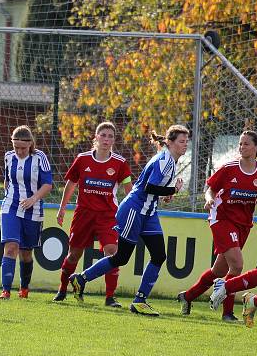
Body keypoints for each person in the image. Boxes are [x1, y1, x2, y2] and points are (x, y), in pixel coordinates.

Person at [69, 125, 190, 316]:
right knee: (121, 257)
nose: (185, 145)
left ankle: (140, 300)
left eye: (186, 141)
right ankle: (81, 279)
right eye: (182, 141)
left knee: (159, 255)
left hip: (148, 212)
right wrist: (172, 190)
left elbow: (153, 188)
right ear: (170, 142)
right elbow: (149, 187)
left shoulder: (170, 160)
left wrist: (167, 194)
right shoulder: (165, 160)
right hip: (135, 210)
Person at [179, 131, 257, 322]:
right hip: (221, 218)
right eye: (240, 144)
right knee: (237, 264)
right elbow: (210, 188)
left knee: (218, 271)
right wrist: (209, 200)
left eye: (246, 144)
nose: (242, 147)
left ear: (256, 147)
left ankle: (188, 296)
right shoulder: (229, 168)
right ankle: (227, 313)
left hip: (243, 223)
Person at [55, 122, 133, 307]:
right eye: (103, 135)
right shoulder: (82, 160)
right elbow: (71, 184)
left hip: (108, 215)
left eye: (110, 136)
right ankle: (62, 290)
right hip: (84, 214)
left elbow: (130, 191)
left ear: (114, 140)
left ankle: (110, 297)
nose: (107, 139)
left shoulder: (120, 163)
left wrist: (130, 213)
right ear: (96, 138)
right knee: (74, 255)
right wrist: (62, 208)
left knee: (113, 252)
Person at [0, 125, 53, 299]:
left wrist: (33, 199)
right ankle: (6, 291)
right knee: (11, 247)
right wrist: (9, 196)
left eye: (23, 148)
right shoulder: (8, 157)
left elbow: (48, 184)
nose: (19, 151)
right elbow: (6, 181)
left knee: (26, 253)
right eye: (16, 147)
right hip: (11, 206)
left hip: (33, 209)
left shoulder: (40, 158)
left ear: (30, 144)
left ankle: (24, 288)